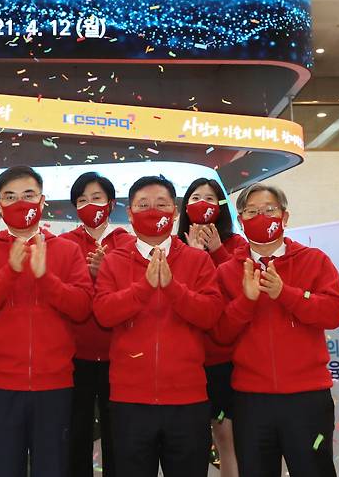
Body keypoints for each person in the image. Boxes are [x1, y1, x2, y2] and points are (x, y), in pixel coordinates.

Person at [0, 165, 93, 477]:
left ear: (42, 200)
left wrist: (44, 276)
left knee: (53, 468)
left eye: (28, 195)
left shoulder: (66, 250)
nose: (20, 203)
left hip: (55, 384)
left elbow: (82, 308)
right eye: (10, 197)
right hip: (1, 384)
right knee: (6, 468)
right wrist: (9, 271)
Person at [93, 175, 223, 477]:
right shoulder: (114, 261)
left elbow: (211, 314)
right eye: (143, 205)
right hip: (130, 401)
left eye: (161, 204)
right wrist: (144, 288)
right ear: (129, 213)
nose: (153, 211)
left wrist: (173, 288)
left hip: (188, 400)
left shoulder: (197, 261)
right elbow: (103, 313)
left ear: (175, 211)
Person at [213, 183, 339, 477]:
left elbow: (333, 313)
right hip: (251, 399)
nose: (261, 216)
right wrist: (246, 301)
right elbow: (220, 333)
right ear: (242, 221)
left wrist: (286, 293)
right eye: (252, 211)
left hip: (307, 397)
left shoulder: (314, 260)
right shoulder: (227, 271)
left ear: (284, 217)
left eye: (269, 210)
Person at [60, 172, 135, 477]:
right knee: (76, 433)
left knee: (117, 434)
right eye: (82, 200)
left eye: (96, 198)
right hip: (75, 355)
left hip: (119, 355)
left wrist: (106, 274)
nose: (90, 205)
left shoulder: (127, 243)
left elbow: (134, 293)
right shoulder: (64, 244)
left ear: (111, 203)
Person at [177, 177, 246, 477]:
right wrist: (192, 255)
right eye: (195, 197)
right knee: (188, 444)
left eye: (209, 197)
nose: (202, 203)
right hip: (184, 361)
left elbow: (241, 292)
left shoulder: (236, 244)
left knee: (227, 439)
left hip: (222, 358)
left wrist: (217, 252)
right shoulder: (173, 245)